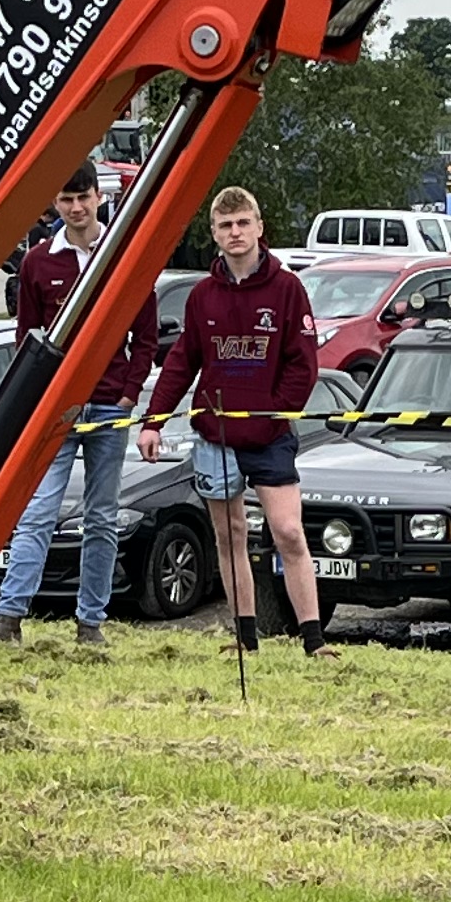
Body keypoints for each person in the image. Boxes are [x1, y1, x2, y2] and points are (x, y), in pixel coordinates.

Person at [139, 184, 324, 656]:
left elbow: (304, 366)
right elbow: (182, 361)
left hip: (270, 436)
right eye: (226, 225)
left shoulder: (287, 289)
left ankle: (314, 639)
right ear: (214, 234)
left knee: (288, 532)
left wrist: (273, 414)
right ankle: (245, 636)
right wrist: (153, 421)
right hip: (215, 436)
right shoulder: (203, 295)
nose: (235, 232)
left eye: (243, 223)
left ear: (259, 228)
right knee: (229, 534)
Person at [0, 161, 157, 646]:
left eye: (83, 197)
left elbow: (146, 336)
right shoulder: (38, 262)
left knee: (102, 515)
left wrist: (129, 392)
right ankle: (8, 616)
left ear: (99, 197)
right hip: (56, 407)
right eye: (67, 199)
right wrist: (36, 397)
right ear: (55, 203)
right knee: (39, 510)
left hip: (109, 405)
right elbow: (28, 337)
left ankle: (91, 623)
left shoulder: (123, 255)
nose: (76, 207)